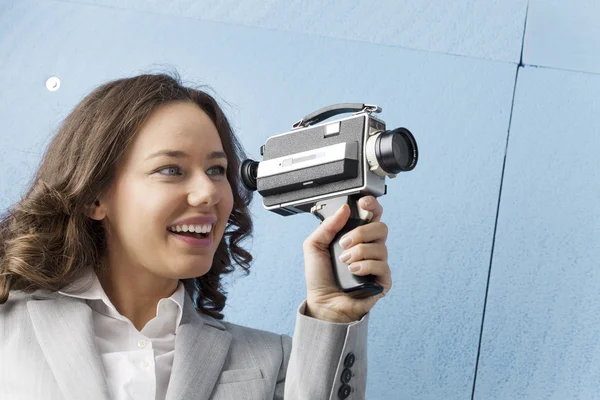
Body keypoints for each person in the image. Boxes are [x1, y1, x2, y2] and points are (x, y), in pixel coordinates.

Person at [0, 72, 392, 400]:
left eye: (217, 170)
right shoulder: (9, 329)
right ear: (95, 197)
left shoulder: (273, 361)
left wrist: (333, 315)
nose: (209, 193)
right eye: (171, 169)